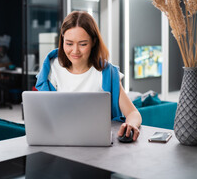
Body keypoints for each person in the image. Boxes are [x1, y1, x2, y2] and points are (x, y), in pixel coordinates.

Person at [35, 11, 142, 141]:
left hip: (97, 142)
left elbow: (133, 113)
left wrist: (130, 124)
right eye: (69, 43)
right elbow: (42, 115)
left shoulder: (107, 73)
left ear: (93, 42)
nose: (75, 51)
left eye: (83, 44)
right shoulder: (51, 69)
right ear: (62, 40)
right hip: (59, 139)